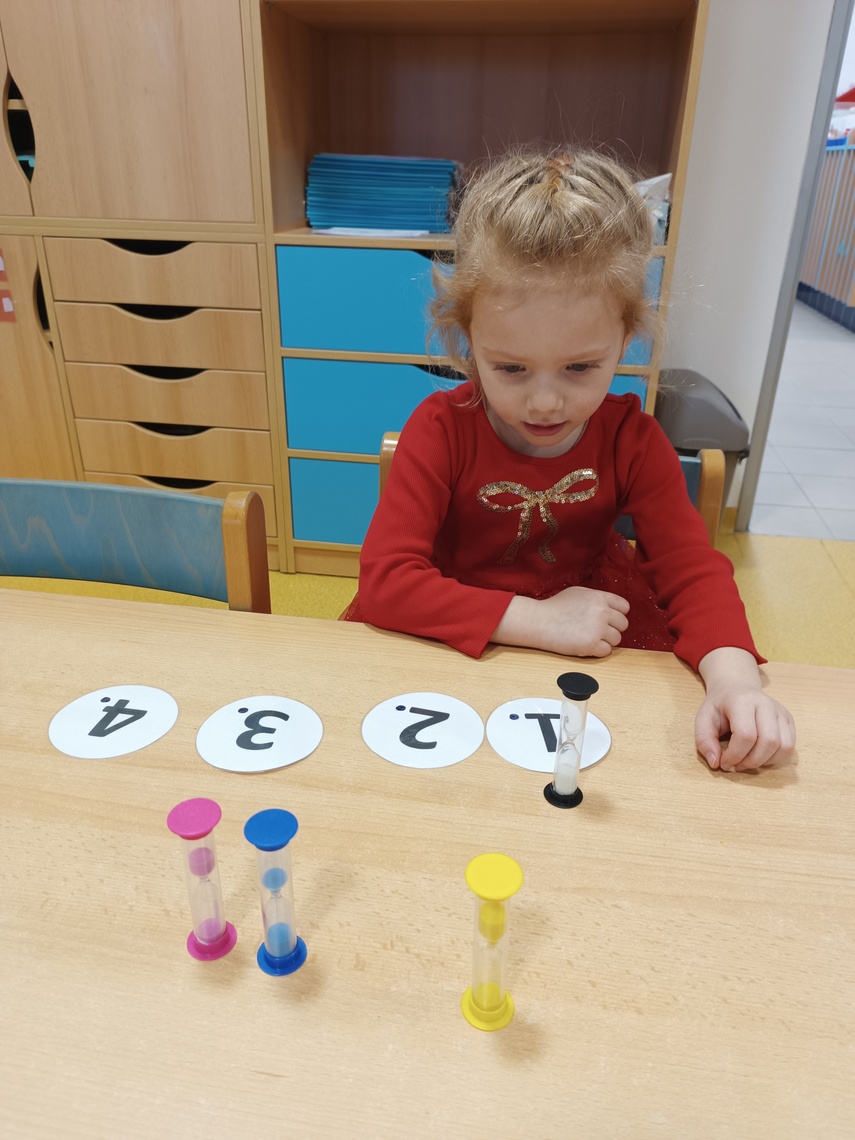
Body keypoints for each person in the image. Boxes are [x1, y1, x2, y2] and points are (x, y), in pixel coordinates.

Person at [344, 149, 795, 773]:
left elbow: (691, 571)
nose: (546, 402)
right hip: (456, 637)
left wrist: (736, 682)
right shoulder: (440, 431)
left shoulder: (633, 440)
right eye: (511, 368)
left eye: (580, 367)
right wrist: (538, 621)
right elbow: (388, 583)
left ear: (626, 337)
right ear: (467, 339)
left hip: (587, 638)